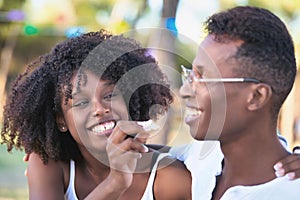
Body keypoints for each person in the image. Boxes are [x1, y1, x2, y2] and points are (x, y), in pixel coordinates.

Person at [0, 30, 191, 199]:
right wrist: (115, 184)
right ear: (61, 121)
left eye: (109, 95)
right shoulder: (50, 165)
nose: (99, 108)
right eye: (82, 102)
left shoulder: (167, 178)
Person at [178, 6, 300, 199]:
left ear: (256, 97)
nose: (184, 91)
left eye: (204, 78)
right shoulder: (202, 156)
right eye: (190, 75)